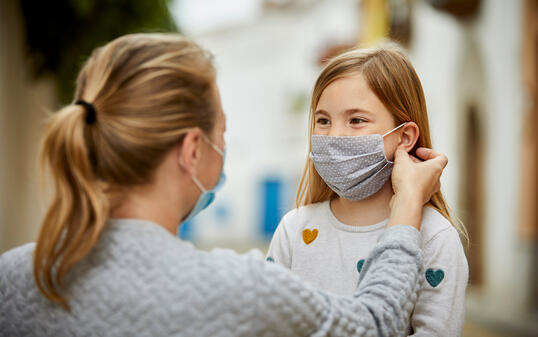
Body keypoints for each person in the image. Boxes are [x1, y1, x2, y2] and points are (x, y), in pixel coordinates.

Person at [0, 33, 447, 337]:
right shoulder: (236, 289)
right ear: (193, 149)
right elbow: (375, 323)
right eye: (222, 131)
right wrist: (408, 202)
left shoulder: (14, 277)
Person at [266, 44, 469, 337]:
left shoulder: (436, 238)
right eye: (323, 120)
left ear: (405, 137)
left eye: (356, 120)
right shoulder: (294, 229)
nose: (334, 135)